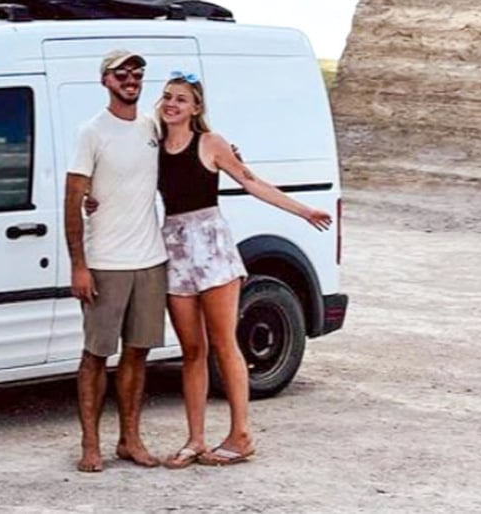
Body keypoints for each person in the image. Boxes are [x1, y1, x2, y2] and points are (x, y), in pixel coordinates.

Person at [154, 71, 331, 468]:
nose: (171, 104)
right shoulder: (155, 144)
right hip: (177, 248)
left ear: (196, 107)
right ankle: (195, 440)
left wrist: (303, 211)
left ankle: (241, 435)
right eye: (167, 97)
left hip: (211, 245)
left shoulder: (211, 143)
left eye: (181, 99)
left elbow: (252, 183)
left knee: (223, 343)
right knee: (192, 350)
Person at [64, 49, 169, 472]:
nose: (131, 79)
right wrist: (79, 265)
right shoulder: (92, 132)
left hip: (150, 260)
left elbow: (189, 143)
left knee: (138, 354)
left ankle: (130, 439)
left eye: (137, 72)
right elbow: (73, 200)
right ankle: (91, 444)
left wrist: (224, 146)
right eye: (121, 73)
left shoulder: (152, 127)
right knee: (95, 355)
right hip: (106, 262)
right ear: (105, 81)